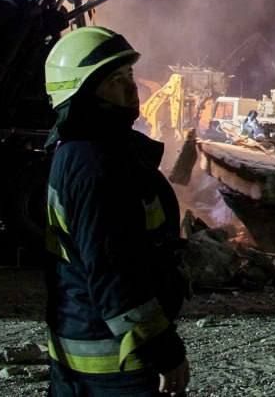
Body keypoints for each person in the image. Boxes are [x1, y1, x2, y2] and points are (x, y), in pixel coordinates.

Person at [42, 26, 191, 396]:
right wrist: (163, 349)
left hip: (100, 348)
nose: (131, 89)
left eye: (129, 75)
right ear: (82, 92)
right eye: (114, 80)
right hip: (114, 363)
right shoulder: (94, 165)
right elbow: (116, 271)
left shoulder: (102, 152)